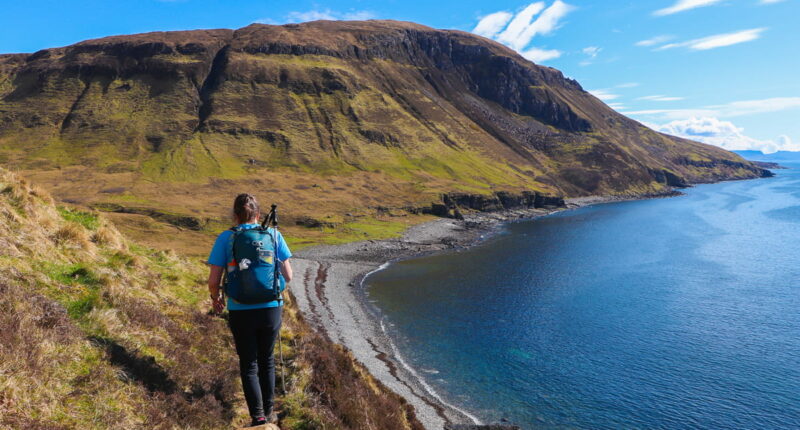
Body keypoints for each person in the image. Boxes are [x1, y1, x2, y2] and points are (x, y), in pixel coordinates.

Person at [206, 193, 293, 427]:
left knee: (249, 363)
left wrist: (216, 299)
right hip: (271, 308)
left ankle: (258, 417)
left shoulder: (226, 238)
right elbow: (289, 275)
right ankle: (270, 411)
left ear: (235, 215)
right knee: (267, 360)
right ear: (258, 214)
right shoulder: (273, 234)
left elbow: (214, 280)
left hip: (240, 308)